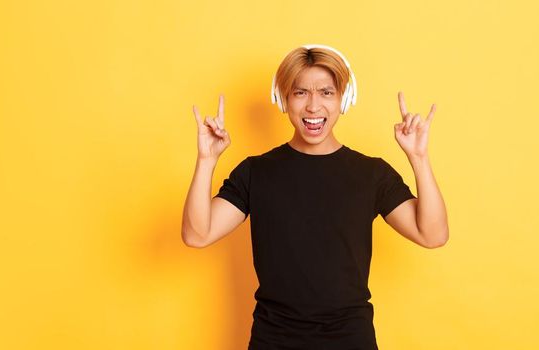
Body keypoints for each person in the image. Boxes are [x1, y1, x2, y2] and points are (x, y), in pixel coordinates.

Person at [181, 44, 449, 349]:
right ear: (283, 99)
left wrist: (419, 158)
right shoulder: (256, 172)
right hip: (274, 339)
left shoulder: (371, 174)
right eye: (300, 93)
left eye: (326, 92)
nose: (313, 106)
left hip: (350, 339)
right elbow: (197, 234)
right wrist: (206, 161)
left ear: (344, 99)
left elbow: (433, 234)